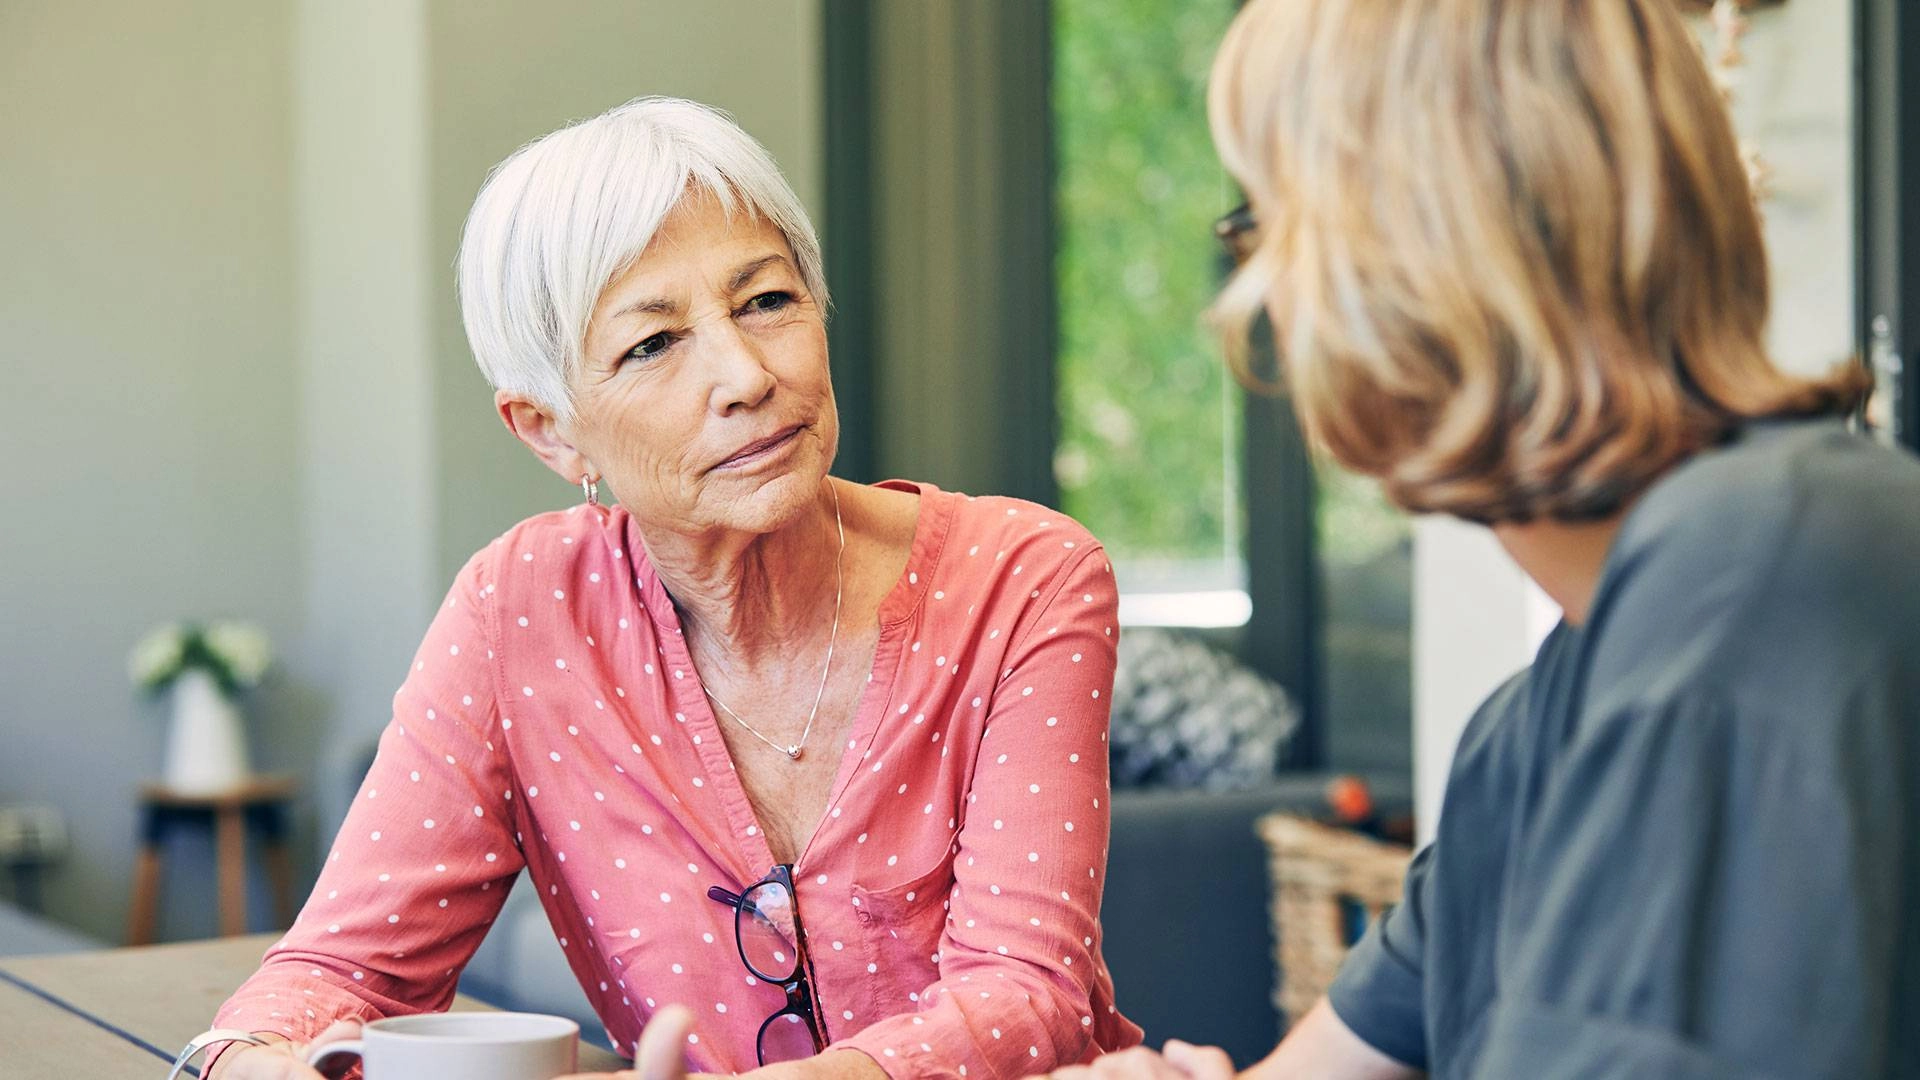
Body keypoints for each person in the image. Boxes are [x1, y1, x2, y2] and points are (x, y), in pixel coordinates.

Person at [1055, 0, 1919, 1077]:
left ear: (1424, 249)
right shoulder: (1540, 719)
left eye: (1273, 225)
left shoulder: (1755, 587)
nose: (1259, 297)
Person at [203, 96, 1141, 1079]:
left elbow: (1027, 996)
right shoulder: (520, 610)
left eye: (767, 302)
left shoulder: (1023, 577)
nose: (745, 373)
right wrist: (252, 1060)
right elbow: (341, 969)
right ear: (550, 431)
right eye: (653, 345)